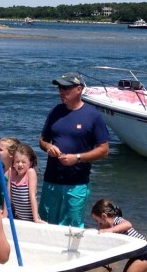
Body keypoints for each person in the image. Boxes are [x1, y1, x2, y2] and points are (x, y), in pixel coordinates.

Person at [39, 72, 110, 227]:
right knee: (45, 224)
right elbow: (42, 140)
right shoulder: (55, 111)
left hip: (77, 184)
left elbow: (104, 150)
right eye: (60, 88)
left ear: (79, 89)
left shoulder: (93, 115)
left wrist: (77, 158)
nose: (61, 91)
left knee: (71, 228)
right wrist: (48, 147)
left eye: (66, 88)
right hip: (51, 180)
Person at [5, 143, 44, 222]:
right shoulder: (11, 171)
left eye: (23, 162)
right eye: (17, 161)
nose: (20, 164)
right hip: (19, 218)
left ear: (30, 163)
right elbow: (8, 195)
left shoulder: (30, 172)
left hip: (31, 219)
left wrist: (35, 218)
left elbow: (32, 196)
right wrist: (4, 215)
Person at [0, 136, 21, 211]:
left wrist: (5, 212)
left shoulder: (17, 172)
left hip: (13, 210)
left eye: (0, 150)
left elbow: (15, 197)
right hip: (1, 206)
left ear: (11, 154)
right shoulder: (0, 169)